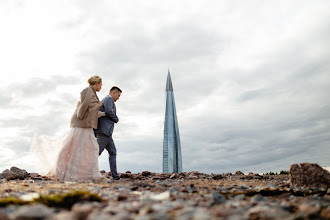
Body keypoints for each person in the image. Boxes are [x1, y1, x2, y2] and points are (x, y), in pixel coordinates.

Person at [30, 75, 105, 181]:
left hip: (86, 125)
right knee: (77, 148)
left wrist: (103, 113)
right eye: (101, 85)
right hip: (82, 125)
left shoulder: (93, 93)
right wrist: (80, 116)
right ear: (96, 83)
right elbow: (84, 105)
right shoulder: (88, 90)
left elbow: (91, 110)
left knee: (86, 148)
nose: (101, 87)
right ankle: (72, 173)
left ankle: (86, 174)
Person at [94, 86, 122, 180]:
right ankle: (86, 171)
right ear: (113, 93)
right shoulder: (108, 99)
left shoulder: (106, 99)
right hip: (104, 131)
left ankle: (115, 176)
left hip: (107, 132)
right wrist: (116, 119)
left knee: (113, 152)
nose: (118, 98)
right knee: (96, 153)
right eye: (118, 95)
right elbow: (109, 111)